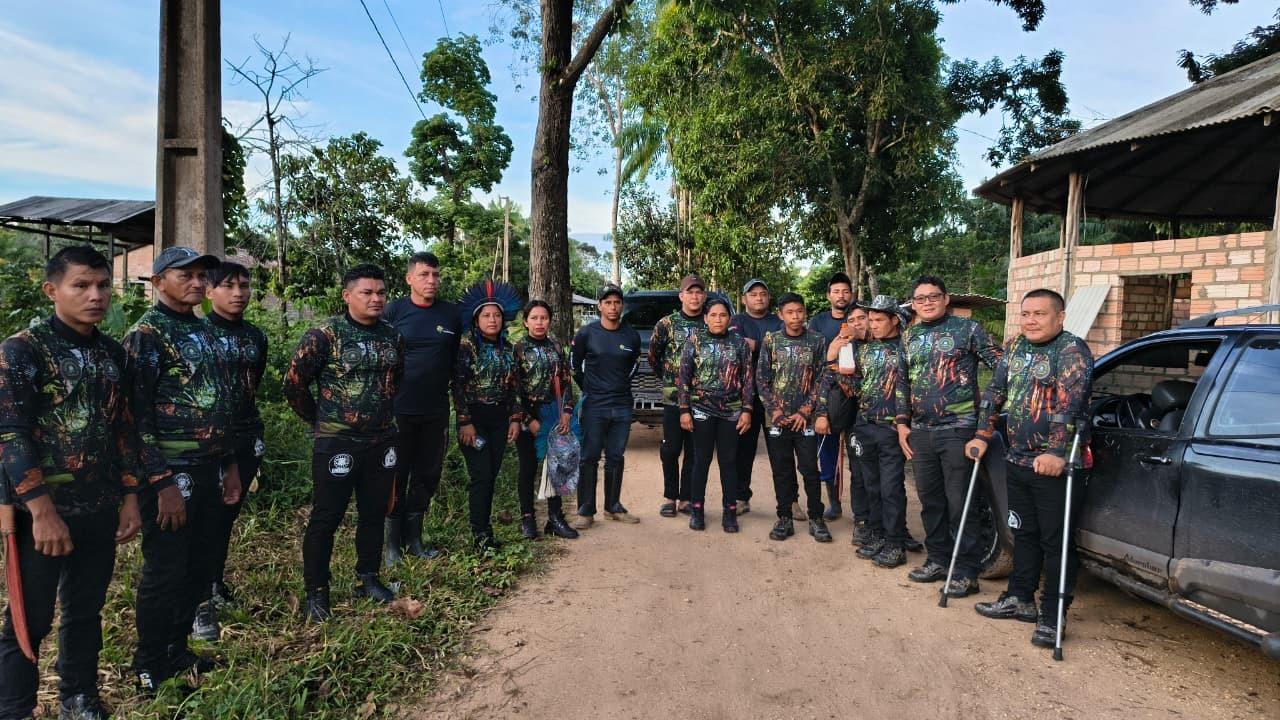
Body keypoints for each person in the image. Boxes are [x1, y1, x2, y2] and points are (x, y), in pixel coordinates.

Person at [0, 247, 144, 720]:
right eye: (81, 285)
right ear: (52, 290)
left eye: (102, 285)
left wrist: (130, 496)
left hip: (99, 504)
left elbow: (123, 430)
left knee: (85, 609)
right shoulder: (23, 351)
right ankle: (15, 707)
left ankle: (79, 695)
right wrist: (41, 512)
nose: (95, 295)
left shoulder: (112, 353)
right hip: (40, 513)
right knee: (30, 617)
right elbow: (10, 434)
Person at [123, 246, 242, 692]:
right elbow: (134, 419)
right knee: (166, 569)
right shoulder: (147, 335)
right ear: (158, 282)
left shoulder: (207, 331)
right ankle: (149, 663)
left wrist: (230, 465)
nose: (196, 282)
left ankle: (176, 649)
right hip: (171, 474)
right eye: (184, 275)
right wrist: (162, 483)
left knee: (200, 564)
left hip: (211, 466)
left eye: (200, 275)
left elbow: (221, 403)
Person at [969, 289, 1093, 648]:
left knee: (1055, 542)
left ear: (1060, 317)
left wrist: (1056, 451)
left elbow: (1070, 406)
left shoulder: (1071, 351)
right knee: (1023, 533)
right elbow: (995, 391)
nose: (1031, 321)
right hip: (1018, 458)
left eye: (1040, 314)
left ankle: (1053, 615)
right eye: (1025, 314)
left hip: (1055, 465)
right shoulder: (1016, 348)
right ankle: (1019, 597)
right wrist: (982, 433)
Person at [285, 264, 404, 622]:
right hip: (337, 443)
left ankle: (368, 578)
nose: (375, 299)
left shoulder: (392, 336)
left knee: (374, 513)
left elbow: (396, 381)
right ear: (347, 295)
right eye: (367, 292)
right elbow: (294, 384)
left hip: (381, 441)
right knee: (327, 517)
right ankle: (317, 592)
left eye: (381, 292)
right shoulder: (325, 335)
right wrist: (321, 421)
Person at [897, 276, 1003, 597]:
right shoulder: (909, 336)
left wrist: (986, 418)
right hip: (921, 431)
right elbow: (902, 381)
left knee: (960, 503)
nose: (927, 302)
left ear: (946, 299)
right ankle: (938, 559)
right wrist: (902, 423)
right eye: (920, 299)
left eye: (934, 296)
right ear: (913, 305)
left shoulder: (968, 330)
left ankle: (966, 571)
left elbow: (1002, 369)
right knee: (931, 501)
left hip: (959, 429)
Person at [192, 261, 267, 643]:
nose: (238, 293)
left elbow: (253, 383)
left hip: (245, 437)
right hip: (206, 443)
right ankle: (198, 601)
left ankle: (214, 582)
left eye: (244, 285)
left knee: (226, 516)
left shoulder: (255, 337)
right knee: (203, 519)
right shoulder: (198, 336)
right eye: (228, 286)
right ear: (209, 292)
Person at [381, 252, 460, 565]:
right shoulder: (394, 311)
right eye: (425, 274)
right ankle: (391, 546)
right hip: (398, 411)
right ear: (409, 278)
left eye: (435, 275)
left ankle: (414, 539)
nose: (431, 281)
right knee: (395, 475)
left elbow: (455, 361)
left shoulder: (450, 314)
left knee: (427, 475)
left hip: (435, 410)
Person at [834, 295, 910, 570]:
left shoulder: (907, 348)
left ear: (895, 320)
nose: (873, 325)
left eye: (879, 320)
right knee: (872, 486)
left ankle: (895, 542)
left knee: (891, 488)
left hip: (892, 428)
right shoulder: (865, 351)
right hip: (865, 425)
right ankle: (878, 535)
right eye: (872, 320)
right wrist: (840, 372)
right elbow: (855, 387)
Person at [755, 293, 833, 543]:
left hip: (805, 419)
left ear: (805, 312)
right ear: (781, 315)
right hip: (777, 419)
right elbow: (761, 379)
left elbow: (823, 378)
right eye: (790, 312)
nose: (795, 317)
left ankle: (816, 518)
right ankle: (784, 517)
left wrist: (806, 410)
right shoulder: (771, 340)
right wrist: (775, 411)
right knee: (781, 469)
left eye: (799, 311)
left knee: (810, 469)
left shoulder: (817, 340)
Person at [452, 280, 523, 551]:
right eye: (486, 315)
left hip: (499, 420)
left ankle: (486, 530)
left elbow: (514, 387)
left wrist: (515, 418)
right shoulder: (467, 347)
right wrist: (465, 422)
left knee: (491, 475)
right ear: (476, 319)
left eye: (496, 315)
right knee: (481, 476)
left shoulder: (509, 348)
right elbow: (458, 386)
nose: (492, 320)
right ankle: (480, 535)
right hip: (474, 421)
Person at [677, 297, 754, 532]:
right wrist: (684, 410)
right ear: (705, 318)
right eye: (713, 315)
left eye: (722, 315)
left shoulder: (739, 343)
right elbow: (683, 378)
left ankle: (730, 512)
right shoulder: (694, 342)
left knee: (729, 462)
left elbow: (748, 379)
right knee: (701, 460)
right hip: (701, 410)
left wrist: (747, 410)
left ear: (729, 318)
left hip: (731, 412)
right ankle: (697, 510)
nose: (718, 319)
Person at [571, 284, 642, 529]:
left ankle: (613, 506)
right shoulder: (586, 333)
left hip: (622, 404)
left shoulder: (631, 335)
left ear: (622, 306)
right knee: (589, 457)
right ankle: (585, 510)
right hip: (594, 405)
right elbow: (574, 366)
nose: (613, 307)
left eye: (617, 302)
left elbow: (634, 365)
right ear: (600, 306)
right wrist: (590, 389)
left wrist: (620, 385)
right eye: (608, 302)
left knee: (615, 456)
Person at [513, 300, 578, 540]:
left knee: (556, 466)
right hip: (527, 415)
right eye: (534, 318)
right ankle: (528, 518)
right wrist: (527, 419)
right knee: (528, 467)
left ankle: (555, 518)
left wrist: (567, 411)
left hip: (553, 414)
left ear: (549, 321)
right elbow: (512, 388)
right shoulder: (518, 349)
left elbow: (566, 381)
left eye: (544, 318)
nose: (539, 322)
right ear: (525, 322)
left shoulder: (556, 348)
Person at [649, 274, 706, 517]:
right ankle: (670, 497)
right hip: (673, 398)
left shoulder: (710, 322)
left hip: (702, 400)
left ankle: (686, 498)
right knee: (671, 449)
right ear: (681, 296)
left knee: (694, 451)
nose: (694, 296)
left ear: (704, 296)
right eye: (690, 292)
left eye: (699, 292)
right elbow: (654, 356)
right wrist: (670, 379)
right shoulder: (666, 324)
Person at [728, 279, 782, 515]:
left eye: (763, 293)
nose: (759, 298)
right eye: (753, 294)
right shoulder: (736, 321)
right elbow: (734, 347)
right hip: (745, 398)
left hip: (774, 397)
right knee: (743, 451)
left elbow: (784, 349)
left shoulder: (778, 322)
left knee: (780, 452)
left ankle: (788, 501)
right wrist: (762, 346)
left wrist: (757, 345)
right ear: (744, 299)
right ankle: (741, 497)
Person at [807, 272, 856, 521]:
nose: (841, 295)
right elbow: (812, 357)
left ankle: (863, 510)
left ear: (852, 294)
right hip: (828, 392)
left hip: (858, 392)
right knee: (828, 449)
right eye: (836, 291)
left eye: (845, 291)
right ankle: (834, 503)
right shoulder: (818, 322)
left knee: (859, 452)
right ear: (828, 295)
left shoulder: (858, 317)